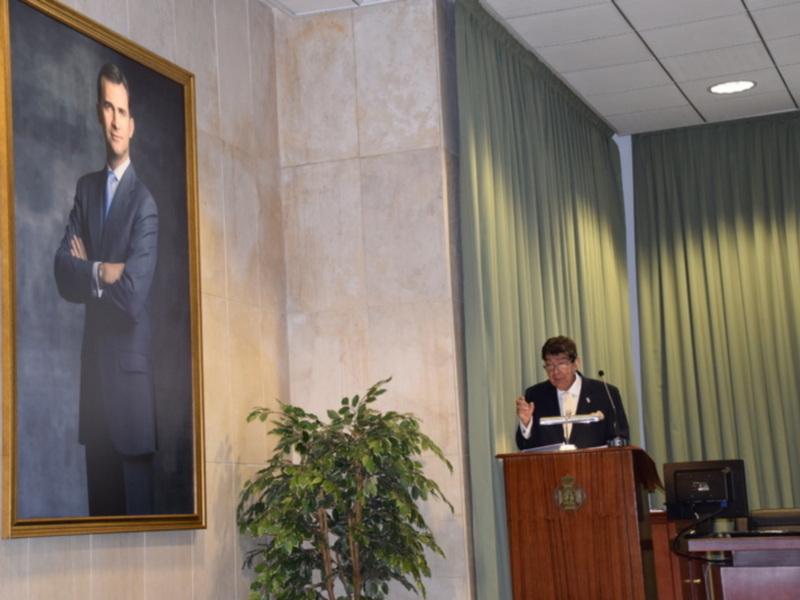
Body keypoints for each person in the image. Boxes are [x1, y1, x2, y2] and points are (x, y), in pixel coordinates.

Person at [54, 63, 158, 516]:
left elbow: (134, 296)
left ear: (132, 123)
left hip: (130, 401)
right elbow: (63, 271)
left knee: (137, 544)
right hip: (94, 389)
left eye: (123, 111)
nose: (115, 121)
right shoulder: (86, 189)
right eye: (108, 108)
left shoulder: (145, 204)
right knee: (100, 526)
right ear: (99, 113)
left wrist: (87, 273)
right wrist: (101, 272)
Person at [515, 336, 629, 450]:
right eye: (549, 365)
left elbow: (621, 439)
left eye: (561, 363)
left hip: (596, 466)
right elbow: (524, 446)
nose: (555, 372)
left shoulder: (606, 393)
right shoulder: (535, 395)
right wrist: (526, 423)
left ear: (575, 363)